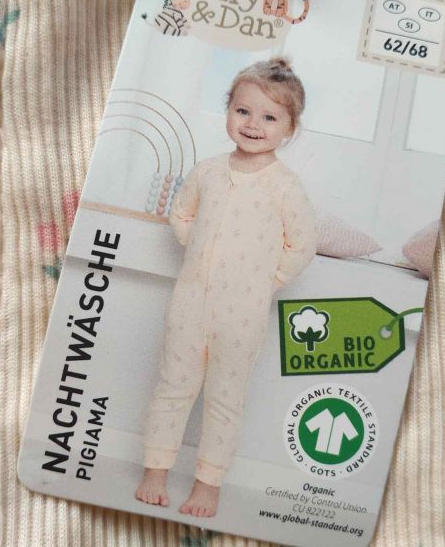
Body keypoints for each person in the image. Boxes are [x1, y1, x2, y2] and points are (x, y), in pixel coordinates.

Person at [134, 57, 317, 517]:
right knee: (173, 387)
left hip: (243, 314)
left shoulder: (285, 187)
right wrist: (195, 247)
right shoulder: (209, 172)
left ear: (289, 129)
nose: (253, 124)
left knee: (224, 399)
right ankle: (155, 471)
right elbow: (182, 213)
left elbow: (302, 246)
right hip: (190, 302)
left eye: (269, 117)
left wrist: (266, 281)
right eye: (243, 111)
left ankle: (208, 484)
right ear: (229, 111)